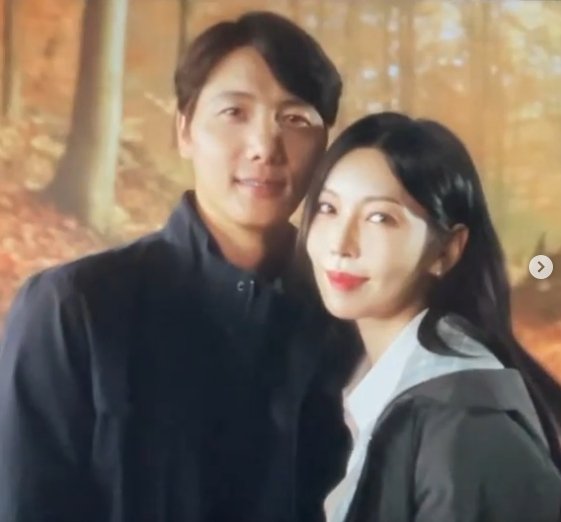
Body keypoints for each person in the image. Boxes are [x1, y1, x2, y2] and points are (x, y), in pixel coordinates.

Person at [0, 12, 353, 522]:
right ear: (184, 130)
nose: (265, 147)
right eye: (234, 112)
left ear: (324, 148)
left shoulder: (344, 320)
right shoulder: (75, 309)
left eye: (295, 119)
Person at [299, 112, 561, 522]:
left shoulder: (463, 423)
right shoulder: (364, 380)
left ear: (446, 251)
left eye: (379, 217)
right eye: (328, 208)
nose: (341, 244)